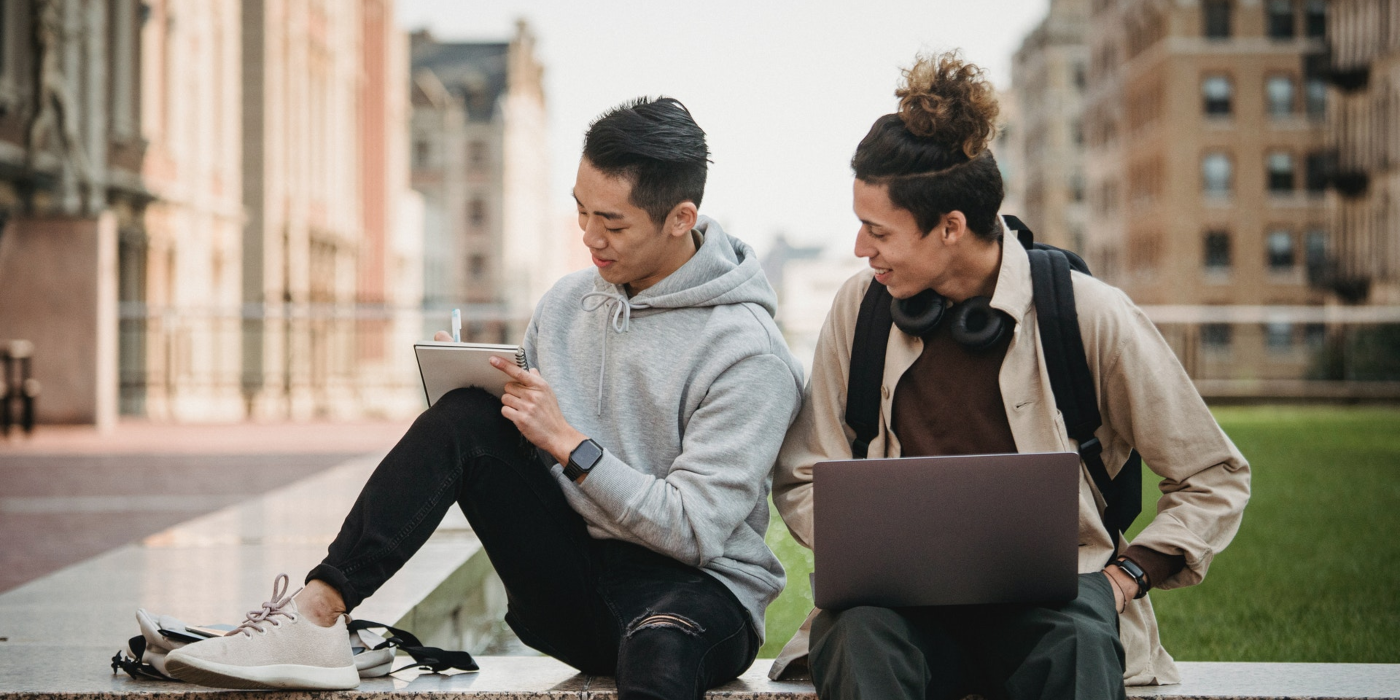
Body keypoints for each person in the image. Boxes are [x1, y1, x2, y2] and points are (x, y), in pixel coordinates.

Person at [166, 97, 806, 700]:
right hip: (572, 585)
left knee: (660, 647)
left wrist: (571, 446)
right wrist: (475, 381)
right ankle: (316, 615)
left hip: (696, 600)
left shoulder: (748, 352)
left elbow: (694, 531)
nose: (589, 236)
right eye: (581, 210)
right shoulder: (566, 303)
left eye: (611, 222)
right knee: (468, 416)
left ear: (680, 219)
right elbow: (514, 452)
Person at [769, 53, 1252, 700]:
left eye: (876, 231)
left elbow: (1214, 475)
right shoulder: (861, 310)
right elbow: (804, 472)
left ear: (950, 228)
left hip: (1057, 606)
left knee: (1078, 645)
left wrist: (1125, 577)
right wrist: (866, 555)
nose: (861, 250)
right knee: (857, 634)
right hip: (900, 610)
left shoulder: (1089, 314)